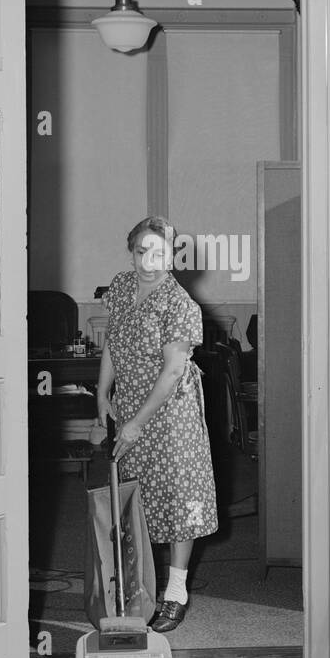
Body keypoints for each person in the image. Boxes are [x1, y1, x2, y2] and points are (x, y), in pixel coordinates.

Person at [96, 216, 218, 630]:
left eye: (159, 253)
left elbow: (171, 372)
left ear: (172, 256)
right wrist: (102, 392)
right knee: (137, 498)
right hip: (130, 402)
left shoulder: (180, 305)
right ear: (130, 251)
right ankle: (139, 586)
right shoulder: (121, 287)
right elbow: (113, 339)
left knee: (178, 496)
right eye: (141, 251)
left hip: (170, 412)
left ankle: (176, 591)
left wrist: (135, 425)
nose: (149, 261)